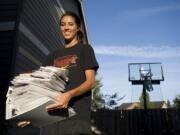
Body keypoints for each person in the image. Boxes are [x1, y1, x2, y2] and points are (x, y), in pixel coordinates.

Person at [40, 12, 99, 135]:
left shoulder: (85, 49)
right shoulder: (52, 55)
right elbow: (41, 85)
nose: (66, 28)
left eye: (70, 24)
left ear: (77, 28)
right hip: (50, 118)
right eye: (63, 25)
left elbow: (91, 81)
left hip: (76, 117)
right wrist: (29, 113)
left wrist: (69, 95)